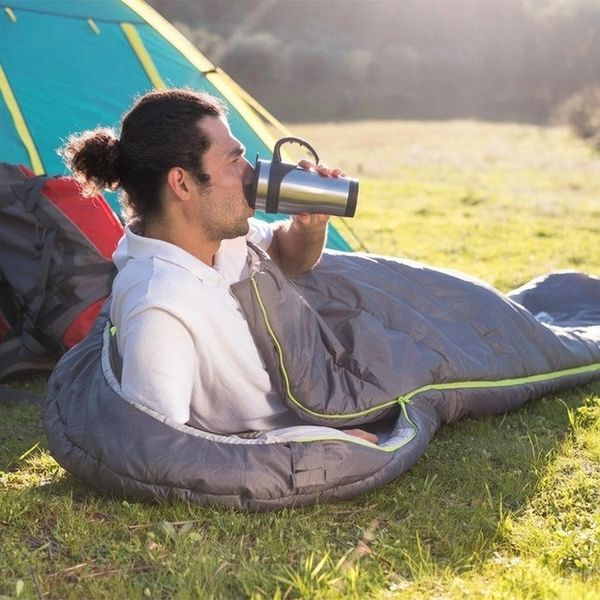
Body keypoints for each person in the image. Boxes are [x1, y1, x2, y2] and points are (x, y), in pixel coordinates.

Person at [61, 88, 378, 444]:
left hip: (322, 381)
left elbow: (290, 258)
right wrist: (316, 440)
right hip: (298, 421)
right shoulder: (159, 305)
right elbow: (158, 446)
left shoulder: (217, 235)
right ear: (182, 182)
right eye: (234, 160)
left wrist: (311, 223)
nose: (249, 173)